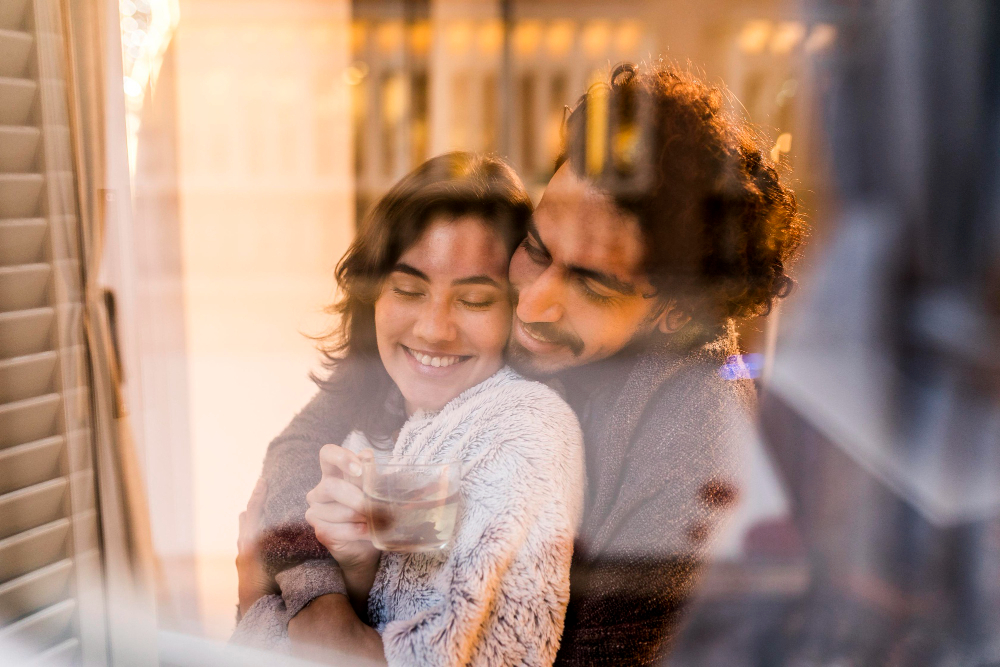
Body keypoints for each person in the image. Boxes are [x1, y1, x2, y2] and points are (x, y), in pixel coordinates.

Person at [238, 61, 804, 665]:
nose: (530, 306)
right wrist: (324, 598)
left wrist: (313, 619)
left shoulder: (694, 444)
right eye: (535, 249)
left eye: (590, 285)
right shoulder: (474, 323)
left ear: (674, 311)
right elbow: (300, 452)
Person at [233, 152, 584, 666]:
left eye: (475, 300)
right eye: (408, 290)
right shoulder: (373, 395)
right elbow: (291, 453)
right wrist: (342, 576)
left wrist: (275, 603)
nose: (434, 329)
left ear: (516, 309)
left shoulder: (524, 430)